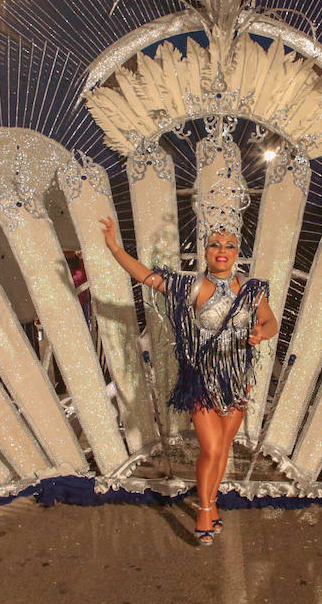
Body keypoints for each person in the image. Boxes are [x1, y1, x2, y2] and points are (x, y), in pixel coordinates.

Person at [100, 215, 277, 545]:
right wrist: (113, 247)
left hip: (237, 381)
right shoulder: (192, 286)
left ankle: (211, 504)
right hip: (200, 382)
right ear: (205, 251)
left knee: (223, 448)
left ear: (238, 252)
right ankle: (204, 508)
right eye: (214, 245)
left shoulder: (252, 289)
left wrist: (260, 333)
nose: (221, 251)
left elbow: (271, 322)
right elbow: (147, 277)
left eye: (229, 245)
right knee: (209, 447)